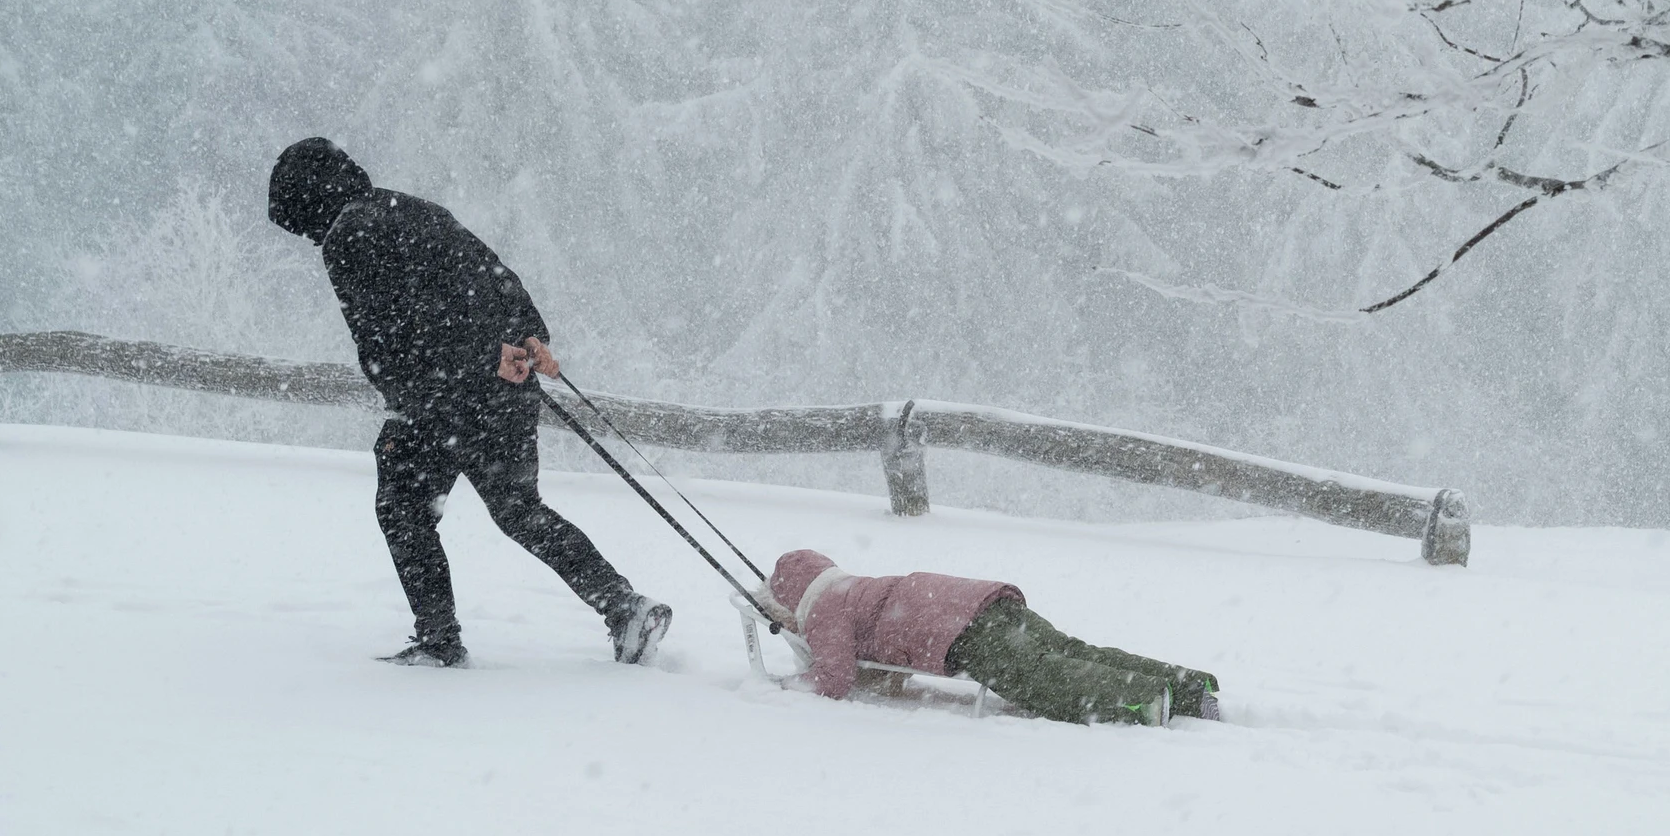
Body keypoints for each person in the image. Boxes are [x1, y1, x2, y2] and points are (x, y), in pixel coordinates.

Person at [267, 136, 670, 669]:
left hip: (444, 397)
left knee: (403, 509)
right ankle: (624, 607)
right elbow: (496, 277)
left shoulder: (348, 236)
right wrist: (529, 340)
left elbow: (393, 338)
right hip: (502, 385)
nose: (308, 236)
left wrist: (434, 384)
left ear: (309, 201)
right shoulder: (410, 209)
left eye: (301, 222)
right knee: (519, 510)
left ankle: (439, 641)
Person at [767, 549, 1220, 725]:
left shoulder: (823, 610)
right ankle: (1189, 685)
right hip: (985, 601)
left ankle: (1144, 698)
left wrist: (786, 686)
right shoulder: (858, 586)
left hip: (960, 635)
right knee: (1071, 650)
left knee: (1040, 679)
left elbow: (834, 676)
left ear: (793, 598)